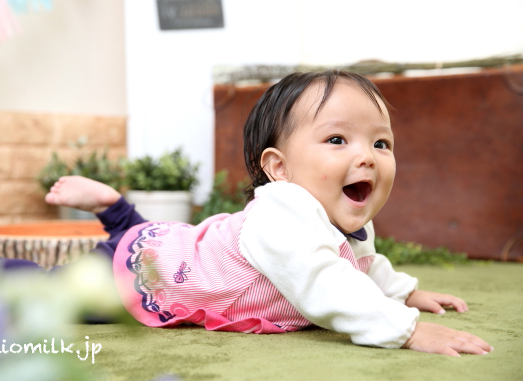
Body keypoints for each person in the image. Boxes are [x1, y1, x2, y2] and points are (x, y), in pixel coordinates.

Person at [45, 71, 491, 356]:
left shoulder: (346, 215)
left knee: (179, 243)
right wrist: (407, 330)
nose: (368, 157)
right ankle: (93, 229)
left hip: (182, 250)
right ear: (279, 168)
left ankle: (121, 215)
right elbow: (325, 281)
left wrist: (404, 292)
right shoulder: (281, 215)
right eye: (337, 140)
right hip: (146, 275)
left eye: (381, 143)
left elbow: (361, 266)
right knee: (56, 297)